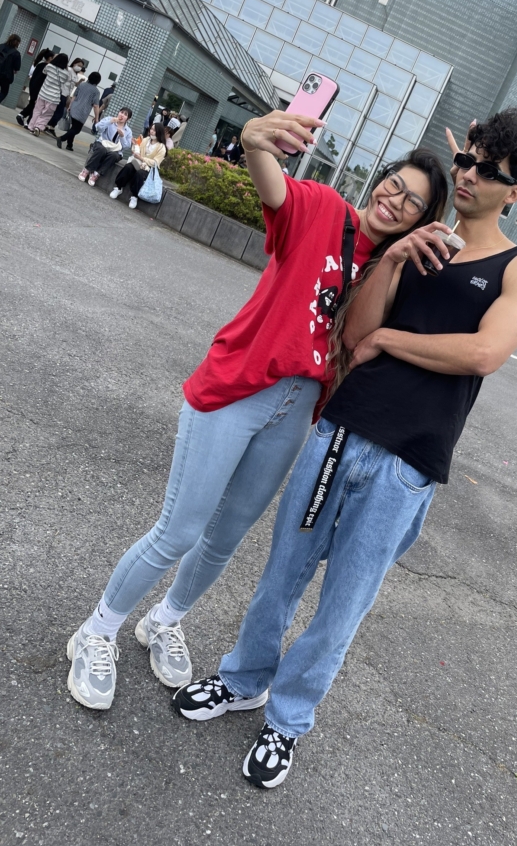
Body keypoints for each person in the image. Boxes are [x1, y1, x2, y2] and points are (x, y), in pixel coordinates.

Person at [172, 107, 517, 789]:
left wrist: (388, 342)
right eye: (464, 161)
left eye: (486, 169)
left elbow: (484, 352)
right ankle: (242, 680)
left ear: (514, 191)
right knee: (281, 574)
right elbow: (354, 335)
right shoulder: (423, 242)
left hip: (408, 461)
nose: (467, 174)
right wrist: (395, 260)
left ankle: (287, 721)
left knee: (342, 605)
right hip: (340, 432)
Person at [66, 109, 448, 712]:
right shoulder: (324, 209)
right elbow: (274, 186)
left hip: (299, 408)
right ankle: (96, 632)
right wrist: (251, 142)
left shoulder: (389, 273)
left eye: (413, 203)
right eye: (394, 184)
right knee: (179, 530)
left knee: (225, 538)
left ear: (421, 221)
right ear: (380, 181)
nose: (395, 201)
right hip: (238, 387)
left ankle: (164, 621)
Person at [109, 121, 168, 209]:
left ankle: (134, 196)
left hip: (149, 168)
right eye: (151, 129)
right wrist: (135, 145)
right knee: (128, 167)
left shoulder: (161, 147)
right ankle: (118, 188)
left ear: (159, 132)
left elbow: (155, 163)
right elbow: (137, 151)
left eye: (154, 130)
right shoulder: (145, 140)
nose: (151, 131)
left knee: (140, 174)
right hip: (138, 163)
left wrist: (142, 158)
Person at [79, 107, 133, 185]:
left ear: (128, 119)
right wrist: (110, 122)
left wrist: (122, 136)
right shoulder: (109, 119)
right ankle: (86, 170)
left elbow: (126, 146)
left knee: (114, 156)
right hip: (102, 143)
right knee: (101, 150)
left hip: (116, 150)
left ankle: (96, 174)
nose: (122, 115)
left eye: (125, 114)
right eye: (121, 112)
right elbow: (98, 127)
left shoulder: (128, 131)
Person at [56, 71, 101, 152]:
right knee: (76, 130)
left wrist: (70, 106)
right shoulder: (96, 91)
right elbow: (96, 105)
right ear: (98, 81)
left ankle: (69, 145)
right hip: (82, 112)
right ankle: (62, 138)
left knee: (73, 128)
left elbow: (74, 96)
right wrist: (97, 118)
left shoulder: (82, 85)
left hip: (74, 108)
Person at [28, 53, 69, 134]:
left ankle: (31, 126)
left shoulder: (49, 66)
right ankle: (38, 127)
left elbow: (44, 72)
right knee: (47, 114)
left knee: (37, 110)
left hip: (43, 93)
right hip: (54, 97)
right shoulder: (66, 73)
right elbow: (64, 81)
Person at [16, 48, 53, 126]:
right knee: (36, 106)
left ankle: (22, 116)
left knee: (32, 104)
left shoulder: (40, 64)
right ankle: (28, 121)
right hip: (38, 89)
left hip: (33, 86)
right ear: (50, 58)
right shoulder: (46, 67)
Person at [45, 57, 81, 134]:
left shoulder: (76, 75)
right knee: (59, 112)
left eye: (81, 66)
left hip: (67, 95)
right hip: (62, 93)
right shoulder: (69, 70)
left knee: (59, 112)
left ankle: (50, 125)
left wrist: (80, 82)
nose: (80, 67)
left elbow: (74, 84)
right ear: (74, 63)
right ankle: (49, 125)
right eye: (79, 65)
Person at [0, 33, 21, 104]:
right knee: (4, 92)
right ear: (17, 42)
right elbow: (17, 67)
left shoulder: (0, 46)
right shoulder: (16, 53)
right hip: (5, 76)